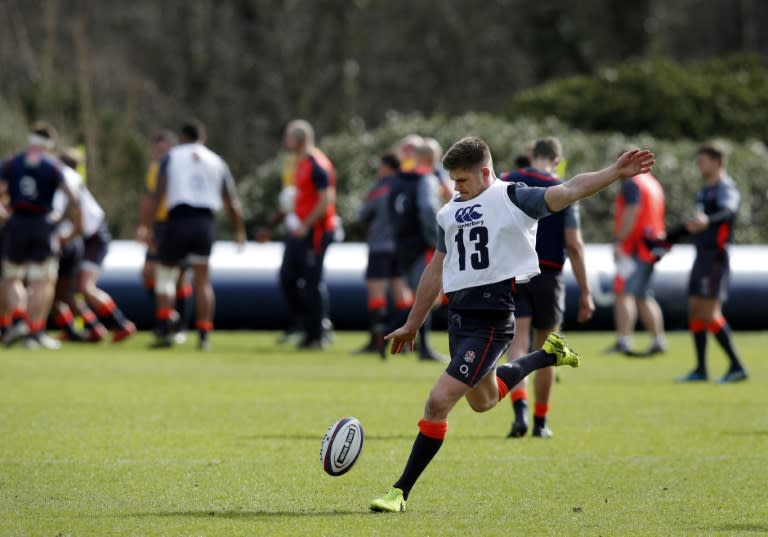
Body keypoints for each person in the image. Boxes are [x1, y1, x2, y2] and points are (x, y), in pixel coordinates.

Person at [369, 137, 654, 513]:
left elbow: (568, 190)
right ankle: (546, 355)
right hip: (460, 320)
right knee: (483, 402)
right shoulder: (449, 213)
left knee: (438, 402)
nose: (456, 187)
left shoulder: (513, 198)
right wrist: (413, 323)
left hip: (491, 321)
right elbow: (435, 269)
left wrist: (615, 173)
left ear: (486, 172)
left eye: (463, 180)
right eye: (453, 180)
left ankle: (399, 491)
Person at [501, 137, 595, 439]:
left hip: (515, 272)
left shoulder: (507, 181)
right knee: (548, 348)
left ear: (531, 156)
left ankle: (520, 412)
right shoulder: (564, 190)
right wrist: (586, 292)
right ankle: (541, 423)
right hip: (550, 275)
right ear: (557, 159)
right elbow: (574, 244)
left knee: (517, 343)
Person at [142, 119, 246, 349]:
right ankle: (204, 335)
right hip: (205, 222)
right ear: (203, 138)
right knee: (202, 281)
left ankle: (166, 328)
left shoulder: (173, 156)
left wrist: (148, 227)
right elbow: (232, 201)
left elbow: (158, 193)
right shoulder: (216, 160)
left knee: (166, 276)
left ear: (182, 138)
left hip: (178, 219)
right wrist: (239, 230)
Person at [0, 121, 82, 349]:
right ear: (50, 144)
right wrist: (59, 218)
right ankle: (33, 331)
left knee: (12, 276)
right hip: (42, 224)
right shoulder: (52, 165)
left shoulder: (12, 162)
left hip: (16, 222)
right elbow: (73, 197)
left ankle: (17, 318)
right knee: (41, 280)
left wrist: (5, 215)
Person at [672, 144, 748, 383]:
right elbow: (698, 223)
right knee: (695, 310)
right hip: (701, 256)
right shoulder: (705, 191)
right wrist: (667, 238)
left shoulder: (726, 188)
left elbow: (728, 212)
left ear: (717, 162)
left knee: (709, 312)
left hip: (716, 258)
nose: (699, 166)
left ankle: (737, 366)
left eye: (703, 161)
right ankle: (701, 369)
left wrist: (708, 221)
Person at [52, 149, 136, 343]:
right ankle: (90, 328)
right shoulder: (67, 177)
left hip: (95, 237)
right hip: (83, 237)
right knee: (64, 291)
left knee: (85, 287)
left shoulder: (65, 177)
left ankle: (121, 324)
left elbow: (73, 216)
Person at [278, 119, 337, 349]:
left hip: (315, 231)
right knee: (287, 277)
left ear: (299, 139)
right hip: (299, 229)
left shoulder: (316, 163)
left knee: (312, 282)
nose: (285, 141)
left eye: (288, 136)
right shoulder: (299, 163)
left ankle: (317, 333)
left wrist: (306, 224)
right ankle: (305, 324)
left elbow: (326, 200)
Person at [388, 140, 446, 362]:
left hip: (403, 244)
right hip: (423, 244)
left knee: (421, 295)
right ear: (432, 159)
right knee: (430, 296)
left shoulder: (399, 179)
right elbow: (427, 209)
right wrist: (436, 240)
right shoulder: (426, 180)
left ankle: (411, 341)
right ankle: (395, 332)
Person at [607, 148, 667, 356]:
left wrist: (619, 240)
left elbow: (632, 211)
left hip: (635, 246)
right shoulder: (652, 182)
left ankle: (624, 341)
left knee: (624, 292)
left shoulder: (632, 183)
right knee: (643, 295)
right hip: (652, 245)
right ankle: (658, 340)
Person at [136, 130, 193, 342]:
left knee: (177, 277)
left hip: (177, 224)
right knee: (148, 273)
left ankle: (175, 325)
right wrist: (144, 225)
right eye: (157, 149)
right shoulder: (153, 169)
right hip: (158, 225)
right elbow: (149, 197)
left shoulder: (181, 168)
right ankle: (168, 317)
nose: (160, 153)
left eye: (164, 149)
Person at [354, 152, 413, 357]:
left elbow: (362, 215)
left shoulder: (380, 189)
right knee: (402, 295)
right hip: (402, 248)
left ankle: (376, 338)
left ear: (387, 167)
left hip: (380, 247)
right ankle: (404, 340)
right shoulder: (408, 186)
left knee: (376, 295)